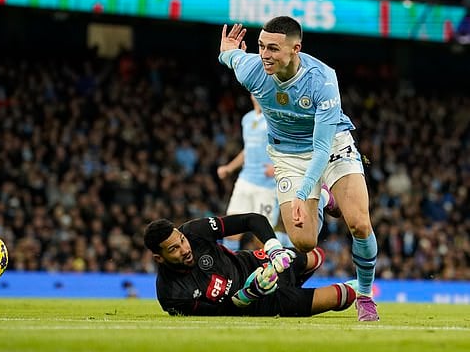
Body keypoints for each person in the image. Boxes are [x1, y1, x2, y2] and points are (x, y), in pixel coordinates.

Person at [218, 16, 379, 321]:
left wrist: (304, 193)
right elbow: (231, 57)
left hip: (330, 146)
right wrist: (225, 52)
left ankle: (366, 295)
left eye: (273, 49)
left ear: (296, 49)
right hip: (287, 155)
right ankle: (327, 201)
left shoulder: (322, 79)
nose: (264, 54)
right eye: (261, 46)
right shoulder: (252, 70)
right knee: (305, 241)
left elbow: (320, 150)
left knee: (359, 223)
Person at [143, 213, 356, 317]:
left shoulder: (194, 232)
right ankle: (363, 290)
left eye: (181, 240)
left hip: (260, 261)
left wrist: (274, 250)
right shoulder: (171, 294)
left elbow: (252, 220)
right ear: (158, 258)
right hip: (262, 303)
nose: (185, 248)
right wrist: (248, 294)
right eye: (173, 249)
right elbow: (221, 313)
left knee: (315, 255)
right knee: (342, 295)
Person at [217, 95, 292, 250]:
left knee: (262, 238)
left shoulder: (275, 117)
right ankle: (232, 271)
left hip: (267, 186)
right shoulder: (247, 119)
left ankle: (291, 243)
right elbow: (248, 150)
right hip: (245, 180)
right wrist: (229, 168)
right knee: (231, 231)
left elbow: (289, 144)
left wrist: (278, 167)